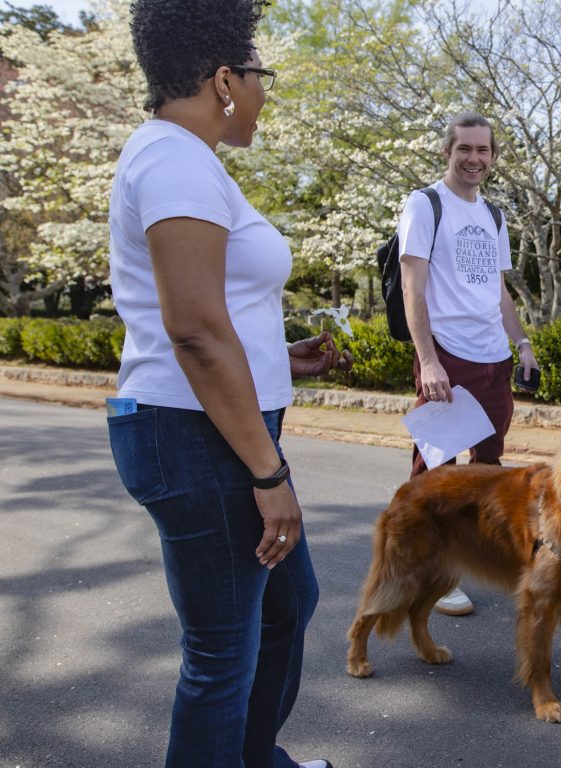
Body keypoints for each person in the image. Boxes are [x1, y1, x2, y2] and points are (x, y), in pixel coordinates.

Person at [106, 2, 351, 766]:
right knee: (221, 657)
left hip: (209, 429)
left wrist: (280, 355)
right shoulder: (174, 160)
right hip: (196, 438)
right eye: (259, 75)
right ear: (223, 81)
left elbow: (216, 316)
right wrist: (269, 475)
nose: (262, 93)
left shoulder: (185, 160)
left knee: (287, 604)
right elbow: (195, 331)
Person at [397, 112, 538, 616]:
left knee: (488, 467)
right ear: (448, 152)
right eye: (465, 149)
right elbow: (413, 286)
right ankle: (430, 567)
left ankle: (475, 557)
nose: (474, 158)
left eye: (483, 150)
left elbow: (498, 291)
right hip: (448, 355)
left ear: (493, 156)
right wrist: (428, 360)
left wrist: (521, 343)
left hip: (493, 358)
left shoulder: (494, 215)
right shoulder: (425, 203)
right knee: (436, 469)